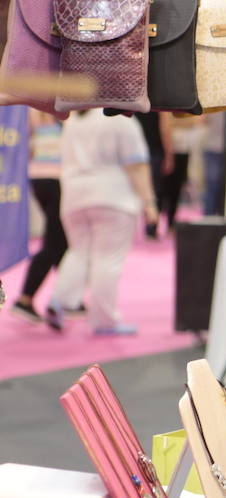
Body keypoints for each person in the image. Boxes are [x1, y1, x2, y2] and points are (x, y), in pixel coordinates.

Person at [49, 110, 158, 335]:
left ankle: (59, 301)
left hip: (73, 195)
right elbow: (136, 165)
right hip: (112, 196)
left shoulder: (74, 120)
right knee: (107, 259)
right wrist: (149, 202)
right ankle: (104, 321)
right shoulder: (120, 119)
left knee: (79, 252)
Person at [9, 110, 69, 328]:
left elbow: (24, 143)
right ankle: (25, 298)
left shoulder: (32, 109)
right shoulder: (64, 106)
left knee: (61, 242)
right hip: (58, 177)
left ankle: (67, 299)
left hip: (38, 176)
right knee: (54, 242)